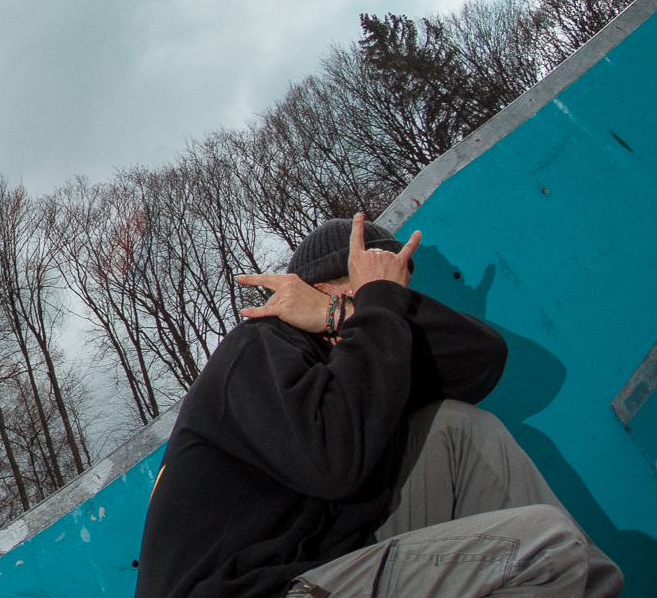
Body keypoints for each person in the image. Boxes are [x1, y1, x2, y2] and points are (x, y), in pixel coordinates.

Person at [135, 213, 623, 598]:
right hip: (255, 590)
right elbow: (332, 462)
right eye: (377, 290)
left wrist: (348, 311)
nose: (394, 306)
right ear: (318, 284)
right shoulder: (257, 348)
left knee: (458, 429)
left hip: (326, 570)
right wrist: (372, 305)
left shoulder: (365, 348)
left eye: (397, 295)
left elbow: (482, 361)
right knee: (546, 546)